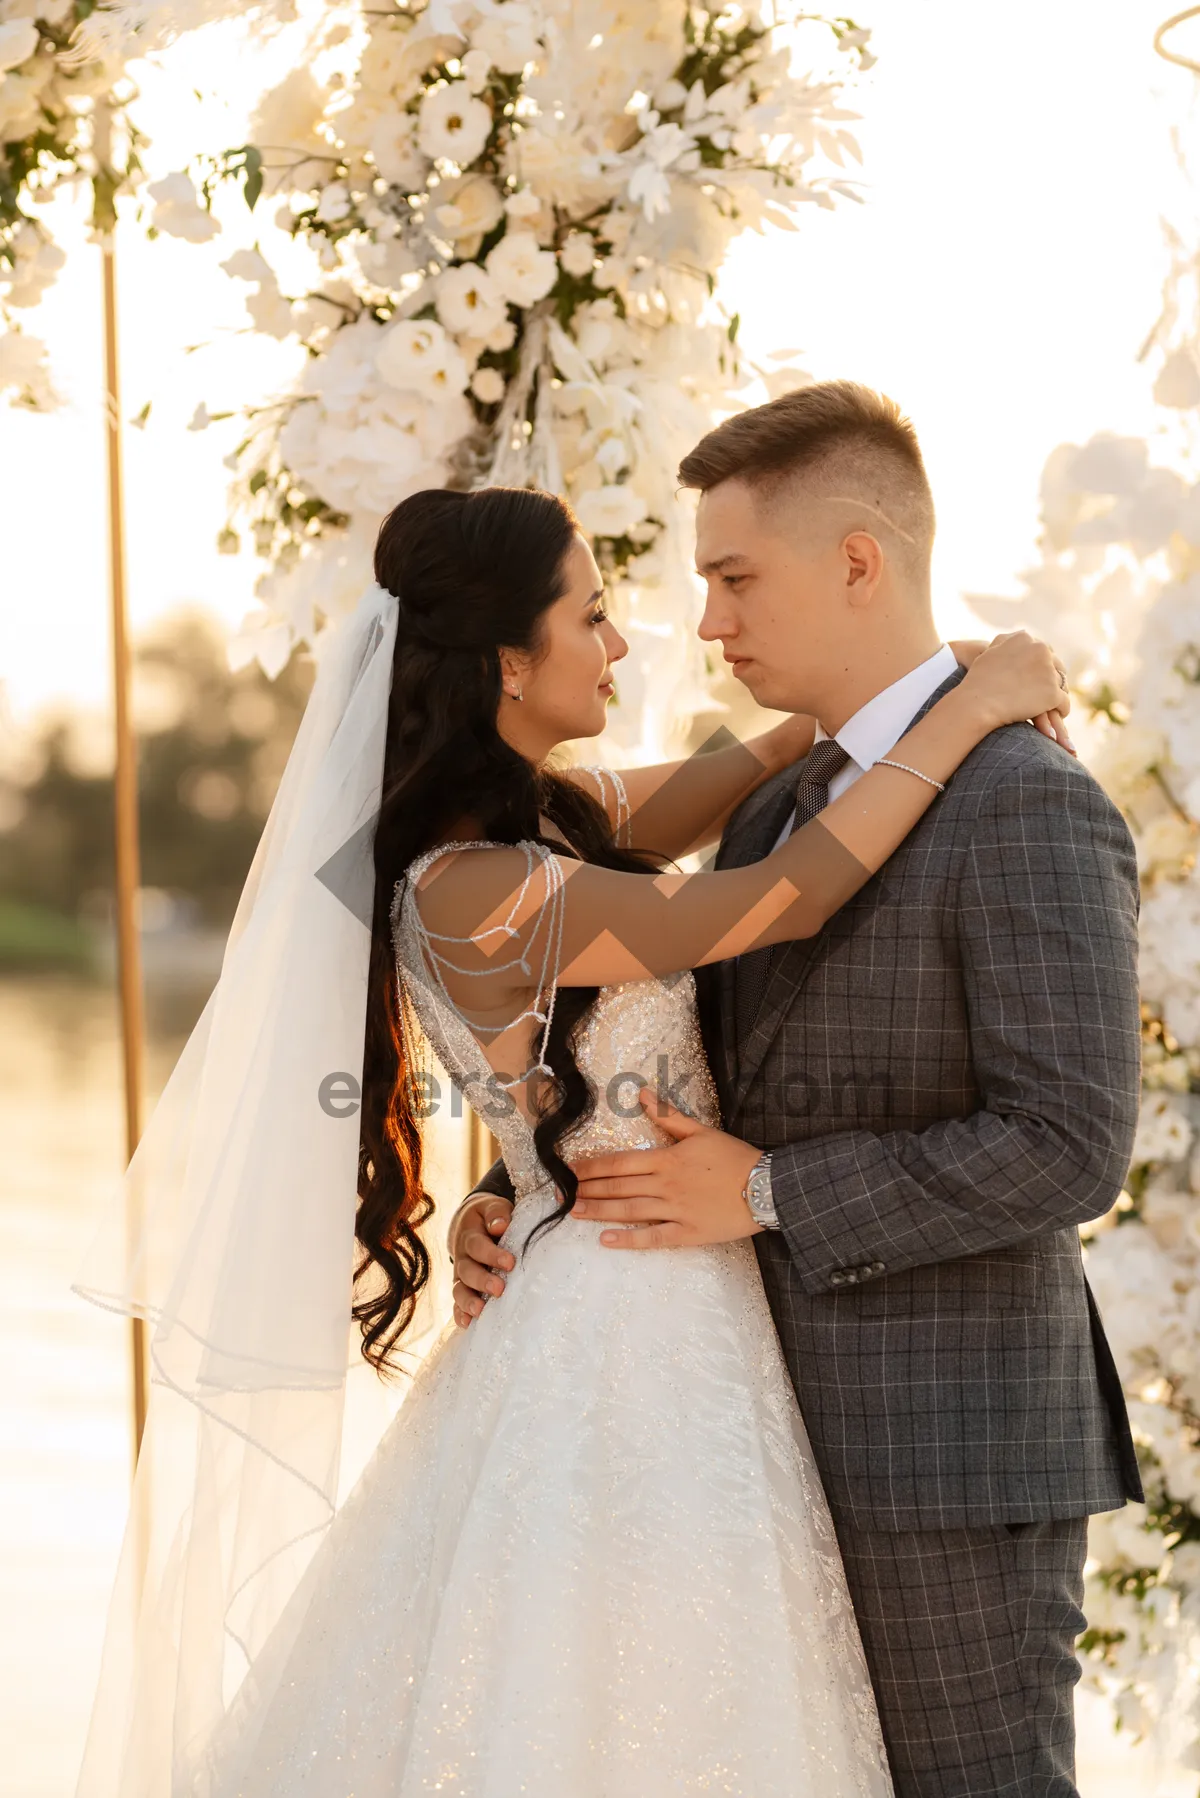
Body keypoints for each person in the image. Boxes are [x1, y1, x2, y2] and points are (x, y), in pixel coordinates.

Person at [75, 470, 1068, 1798]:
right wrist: (977, 711)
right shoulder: (482, 885)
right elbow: (780, 894)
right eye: (592, 618)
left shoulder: (545, 821)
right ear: (505, 659)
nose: (624, 642)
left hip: (649, 1274)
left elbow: (756, 766)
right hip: (617, 1324)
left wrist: (892, 686)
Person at [454, 383, 1145, 1798]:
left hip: (944, 1461)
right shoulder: (767, 808)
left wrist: (765, 1188)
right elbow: (665, 1055)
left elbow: (1070, 1142)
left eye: (732, 576)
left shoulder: (1026, 797)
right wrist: (519, 1192)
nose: (707, 622)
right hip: (741, 1447)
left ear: (856, 561)